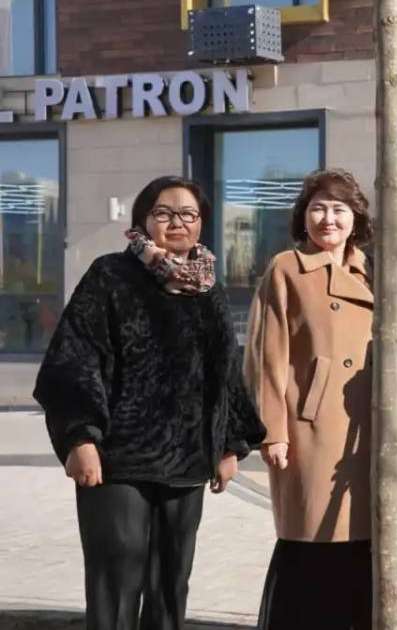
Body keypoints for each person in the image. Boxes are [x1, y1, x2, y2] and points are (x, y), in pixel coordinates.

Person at [34, 175, 265, 630]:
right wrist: (80, 437)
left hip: (187, 460)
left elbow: (224, 368)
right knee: (117, 579)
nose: (176, 223)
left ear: (200, 225)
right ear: (144, 219)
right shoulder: (110, 276)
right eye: (164, 213)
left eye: (188, 214)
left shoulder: (207, 286)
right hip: (118, 460)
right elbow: (74, 359)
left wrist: (229, 442)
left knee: (170, 584)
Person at [245, 169, 376, 629]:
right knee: (311, 540)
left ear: (355, 218)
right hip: (309, 431)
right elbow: (266, 357)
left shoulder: (370, 272)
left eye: (339, 209)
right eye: (318, 207)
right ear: (304, 216)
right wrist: (272, 432)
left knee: (359, 542)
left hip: (365, 430)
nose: (328, 219)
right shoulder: (287, 268)